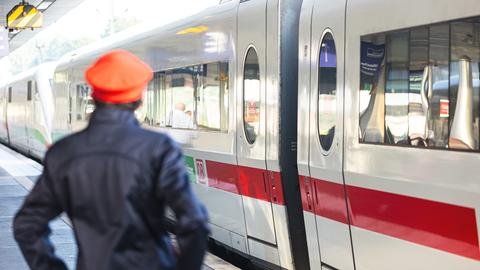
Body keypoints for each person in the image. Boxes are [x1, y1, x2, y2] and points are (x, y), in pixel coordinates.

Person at [13, 50, 209, 270]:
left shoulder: (63, 152)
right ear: (138, 99)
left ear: (93, 96)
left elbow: (27, 225)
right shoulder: (159, 148)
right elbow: (194, 222)